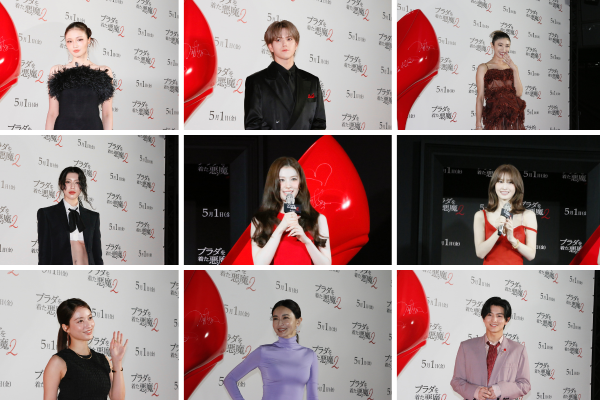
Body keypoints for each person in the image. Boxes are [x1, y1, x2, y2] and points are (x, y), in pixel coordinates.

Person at [224, 299, 318, 400]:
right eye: (275, 318)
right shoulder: (263, 352)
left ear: (298, 321)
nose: (280, 323)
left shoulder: (309, 355)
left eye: (285, 318)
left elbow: (312, 396)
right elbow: (230, 380)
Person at [244, 20, 326, 130]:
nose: (284, 44)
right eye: (278, 40)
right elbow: (253, 125)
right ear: (270, 46)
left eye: (289, 39)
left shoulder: (312, 81)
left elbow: (319, 123)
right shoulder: (256, 81)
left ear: (296, 44)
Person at [251, 157, 331, 265]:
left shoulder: (318, 219)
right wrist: (281, 228)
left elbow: (326, 266)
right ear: (273, 184)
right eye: (281, 180)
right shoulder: (260, 220)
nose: (288, 185)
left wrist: (306, 241)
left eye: (293, 179)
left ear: (300, 183)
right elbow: (259, 265)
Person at [43, 298, 128, 400]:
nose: (88, 325)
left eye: (90, 318)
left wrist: (117, 362)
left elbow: (118, 398)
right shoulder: (58, 362)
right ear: (66, 327)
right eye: (80, 321)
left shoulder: (103, 360)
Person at [450, 297, 530, 400]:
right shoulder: (466, 347)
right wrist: (475, 391)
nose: (494, 320)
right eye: (489, 315)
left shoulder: (518, 350)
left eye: (499, 316)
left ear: (507, 320)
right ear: (483, 318)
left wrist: (501, 390)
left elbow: (525, 385)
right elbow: (456, 381)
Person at [46, 22, 114, 130]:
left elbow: (107, 114)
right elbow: (52, 113)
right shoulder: (57, 71)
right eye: (69, 41)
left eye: (79, 39)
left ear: (89, 40)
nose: (75, 45)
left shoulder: (103, 72)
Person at [37, 166, 103, 265]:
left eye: (77, 182)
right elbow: (44, 254)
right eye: (68, 182)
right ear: (61, 184)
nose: (72, 186)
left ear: (82, 186)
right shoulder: (47, 214)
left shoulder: (93, 217)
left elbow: (97, 255)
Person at [474, 164, 537, 264]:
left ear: (517, 186)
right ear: (494, 185)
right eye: (500, 181)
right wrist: (498, 232)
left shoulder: (528, 215)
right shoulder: (480, 215)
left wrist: (512, 239)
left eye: (510, 182)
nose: (504, 187)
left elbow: (531, 255)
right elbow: (480, 253)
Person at [475, 30, 525, 130]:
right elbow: (480, 97)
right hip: (493, 118)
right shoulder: (484, 67)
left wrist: (515, 70)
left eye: (507, 46)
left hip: (513, 120)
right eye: (500, 45)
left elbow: (519, 93)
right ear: (492, 45)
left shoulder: (512, 68)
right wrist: (478, 125)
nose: (504, 49)